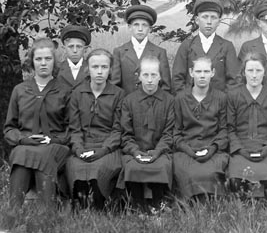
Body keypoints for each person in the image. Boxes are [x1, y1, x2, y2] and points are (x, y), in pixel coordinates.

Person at [4, 38, 70, 209]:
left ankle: (47, 214)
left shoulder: (64, 91)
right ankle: (14, 213)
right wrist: (22, 139)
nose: (43, 63)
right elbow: (9, 128)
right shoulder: (20, 90)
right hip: (26, 144)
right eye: (38, 59)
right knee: (20, 153)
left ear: (54, 62)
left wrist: (54, 140)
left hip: (55, 145)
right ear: (32, 62)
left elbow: (72, 128)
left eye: (48, 59)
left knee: (43, 154)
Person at [65, 49, 125, 210]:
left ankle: (99, 206)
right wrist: (78, 149)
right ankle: (80, 206)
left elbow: (118, 129)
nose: (99, 71)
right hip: (84, 144)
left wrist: (103, 150)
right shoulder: (78, 93)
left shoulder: (118, 94)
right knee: (76, 166)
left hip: (108, 147)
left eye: (104, 67)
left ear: (110, 69)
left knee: (99, 168)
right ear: (88, 68)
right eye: (95, 67)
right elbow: (74, 128)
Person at [119, 56, 175, 213]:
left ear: (160, 76)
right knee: (131, 166)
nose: (150, 80)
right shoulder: (129, 101)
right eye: (146, 75)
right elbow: (126, 134)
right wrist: (135, 151)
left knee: (162, 165)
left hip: (160, 151)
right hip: (135, 150)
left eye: (154, 75)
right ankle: (138, 206)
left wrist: (157, 152)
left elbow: (169, 133)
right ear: (139, 76)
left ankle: (158, 204)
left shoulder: (169, 101)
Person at [173, 57, 229, 202]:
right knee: (189, 171)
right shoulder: (180, 99)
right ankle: (189, 204)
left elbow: (223, 130)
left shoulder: (221, 98)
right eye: (198, 71)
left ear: (213, 73)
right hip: (187, 149)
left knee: (210, 171)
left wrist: (213, 148)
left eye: (206, 71)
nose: (202, 75)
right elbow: (176, 132)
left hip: (213, 148)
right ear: (191, 73)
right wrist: (188, 150)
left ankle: (212, 203)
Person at [227, 52, 267, 201]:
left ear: (265, 72)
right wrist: (240, 149)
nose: (254, 75)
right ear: (244, 72)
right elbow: (229, 128)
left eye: (258, 70)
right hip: (241, 147)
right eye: (250, 71)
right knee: (236, 179)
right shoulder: (233, 95)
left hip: (265, 148)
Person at [172, 0, 239, 93]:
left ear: (219, 21)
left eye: (213, 17)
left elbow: (234, 81)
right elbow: (177, 78)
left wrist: (223, 102)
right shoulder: (187, 45)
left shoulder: (226, 46)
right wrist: (186, 101)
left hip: (219, 104)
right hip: (190, 103)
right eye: (205, 17)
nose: (209, 22)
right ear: (197, 20)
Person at [111, 5, 172, 93]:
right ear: (129, 27)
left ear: (150, 29)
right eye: (136, 25)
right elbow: (115, 85)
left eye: (144, 25)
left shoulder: (159, 52)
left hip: (152, 104)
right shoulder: (119, 52)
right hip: (126, 104)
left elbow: (166, 86)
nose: (140, 29)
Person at [57, 24, 91, 91]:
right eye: (71, 46)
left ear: (85, 49)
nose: (75, 51)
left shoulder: (91, 69)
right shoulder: (56, 69)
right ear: (64, 49)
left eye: (79, 46)